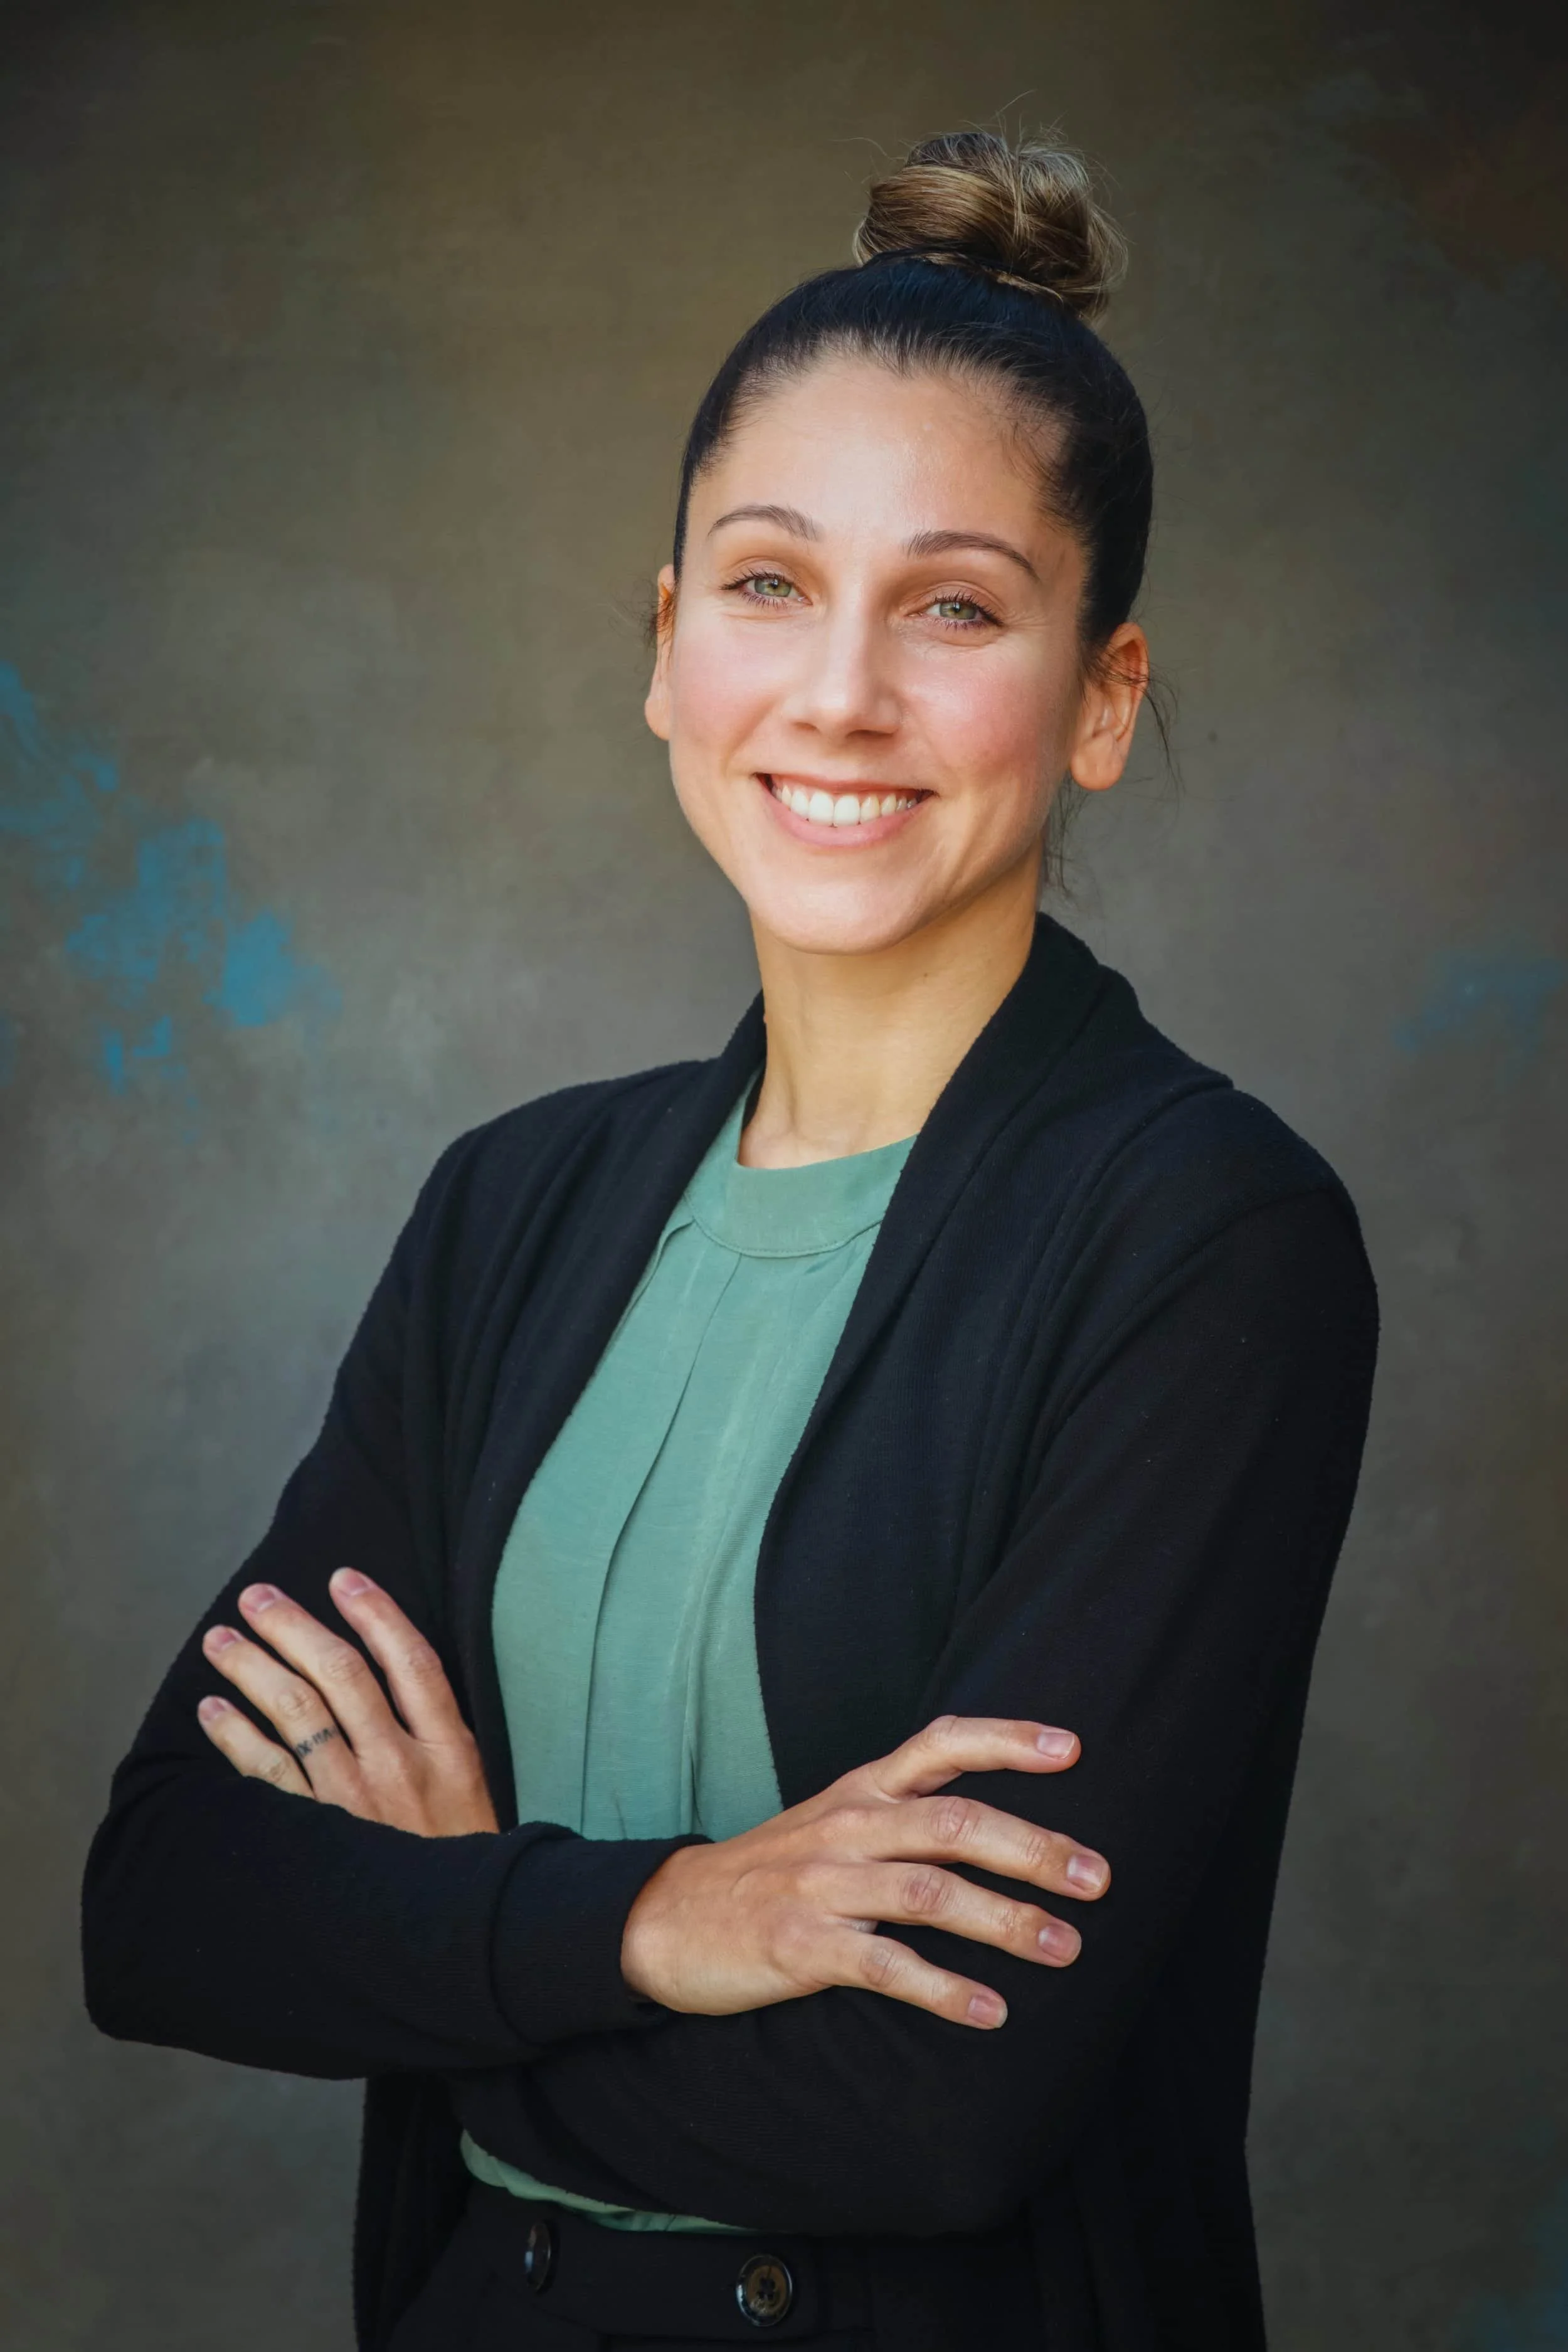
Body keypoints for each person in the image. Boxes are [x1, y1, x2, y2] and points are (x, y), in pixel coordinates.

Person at [82, 129, 1378, 2352]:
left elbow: (933, 2109)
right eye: (768, 583)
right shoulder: (515, 1207)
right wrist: (664, 1922)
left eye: (956, 606)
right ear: (667, 645)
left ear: (1101, 695)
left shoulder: (1205, 1240)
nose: (841, 692)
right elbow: (170, 1905)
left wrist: (444, 1929)